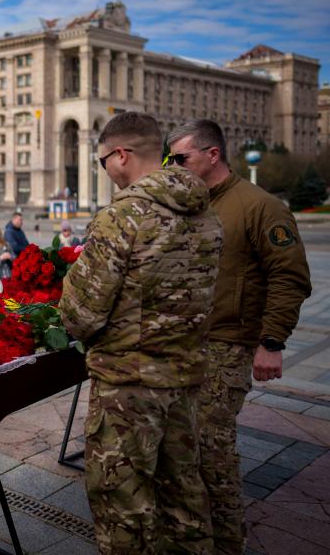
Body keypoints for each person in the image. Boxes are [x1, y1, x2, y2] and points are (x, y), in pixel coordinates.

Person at [58, 112, 222, 554]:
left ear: (121, 155)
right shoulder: (205, 214)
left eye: (101, 162)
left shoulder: (122, 218)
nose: (105, 171)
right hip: (184, 381)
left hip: (128, 390)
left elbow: (80, 313)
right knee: (184, 498)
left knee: (123, 507)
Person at [167, 119, 312, 554]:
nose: (173, 166)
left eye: (180, 158)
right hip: (187, 343)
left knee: (212, 449)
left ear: (213, 155)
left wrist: (272, 342)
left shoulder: (259, 206)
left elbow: (290, 277)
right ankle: (194, 534)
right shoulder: (191, 204)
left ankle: (229, 541)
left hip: (229, 345)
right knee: (184, 447)